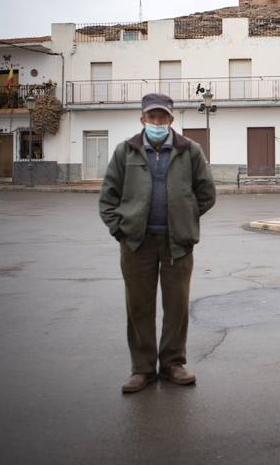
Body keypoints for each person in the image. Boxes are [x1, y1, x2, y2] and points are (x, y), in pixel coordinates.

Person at [99, 92, 216, 393]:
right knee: (139, 306)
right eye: (152, 117)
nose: (157, 122)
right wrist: (120, 229)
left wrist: (185, 219)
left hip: (178, 243)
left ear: (171, 120)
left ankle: (173, 364)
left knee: (176, 306)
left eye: (162, 117)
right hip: (136, 243)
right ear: (143, 119)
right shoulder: (125, 151)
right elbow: (108, 197)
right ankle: (142, 369)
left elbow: (206, 193)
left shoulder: (190, 150)